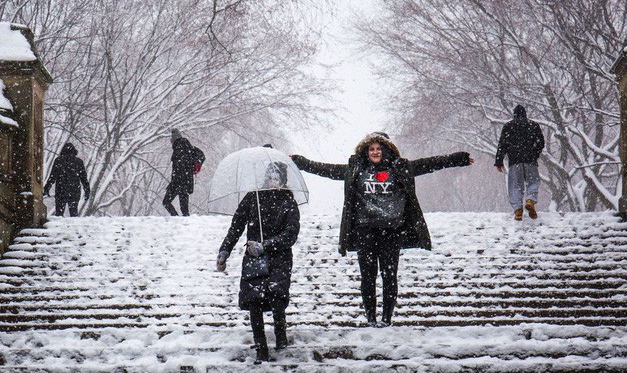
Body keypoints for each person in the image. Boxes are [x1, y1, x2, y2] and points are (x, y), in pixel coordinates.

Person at [291, 132, 473, 327]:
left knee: (389, 276)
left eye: (379, 148)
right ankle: (371, 318)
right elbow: (325, 170)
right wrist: (299, 162)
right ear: (366, 151)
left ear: (386, 149)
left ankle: (386, 318)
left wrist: (459, 159)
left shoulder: (400, 168)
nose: (375, 152)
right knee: (367, 277)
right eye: (372, 149)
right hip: (365, 231)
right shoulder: (356, 169)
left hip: (391, 231)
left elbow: (431, 164)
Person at [216, 161, 300, 364]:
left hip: (279, 257)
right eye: (270, 176)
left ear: (283, 180)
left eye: (277, 177)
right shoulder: (253, 197)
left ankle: (281, 336)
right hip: (254, 258)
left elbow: (291, 234)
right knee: (254, 299)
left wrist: (267, 245)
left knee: (277, 295)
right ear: (265, 177)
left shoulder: (288, 201)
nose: (273, 181)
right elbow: (236, 225)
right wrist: (225, 250)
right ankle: (260, 344)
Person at [494, 104, 545, 221]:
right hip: (530, 161)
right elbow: (541, 143)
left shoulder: (508, 126)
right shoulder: (533, 125)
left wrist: (499, 161)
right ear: (525, 114)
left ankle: (518, 210)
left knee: (515, 186)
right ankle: (530, 200)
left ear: (514, 115)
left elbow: (502, 145)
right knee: (533, 182)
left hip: (515, 161)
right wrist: (534, 154)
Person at [163, 129, 204, 216]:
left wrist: (192, 167)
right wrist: (195, 167)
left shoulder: (179, 148)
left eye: (171, 141)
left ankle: (177, 219)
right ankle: (183, 223)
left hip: (177, 181)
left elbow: (179, 167)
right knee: (184, 209)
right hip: (185, 181)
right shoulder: (189, 148)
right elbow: (201, 155)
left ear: (173, 140)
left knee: (166, 202)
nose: (171, 144)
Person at [44, 142, 90, 217]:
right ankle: (74, 227)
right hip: (74, 190)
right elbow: (84, 178)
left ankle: (58, 227)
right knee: (74, 211)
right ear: (74, 151)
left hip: (61, 189)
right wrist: (87, 190)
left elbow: (53, 176)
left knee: (59, 213)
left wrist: (47, 188)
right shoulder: (79, 162)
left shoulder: (58, 160)